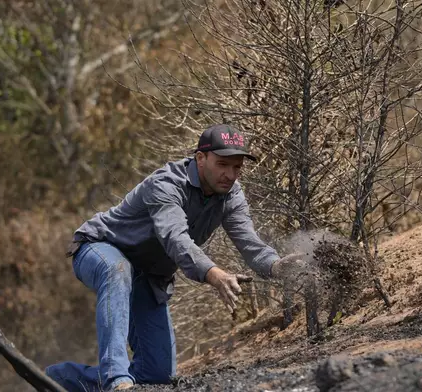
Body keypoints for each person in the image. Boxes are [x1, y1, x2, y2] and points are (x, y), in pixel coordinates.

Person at [45, 124, 304, 391]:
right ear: (200, 158)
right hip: (99, 249)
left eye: (237, 167)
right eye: (223, 164)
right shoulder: (166, 184)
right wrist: (214, 275)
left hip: (148, 275)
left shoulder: (232, 195)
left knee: (156, 376)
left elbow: (250, 243)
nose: (230, 175)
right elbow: (175, 239)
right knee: (117, 269)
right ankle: (116, 381)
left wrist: (275, 265)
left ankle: (62, 380)